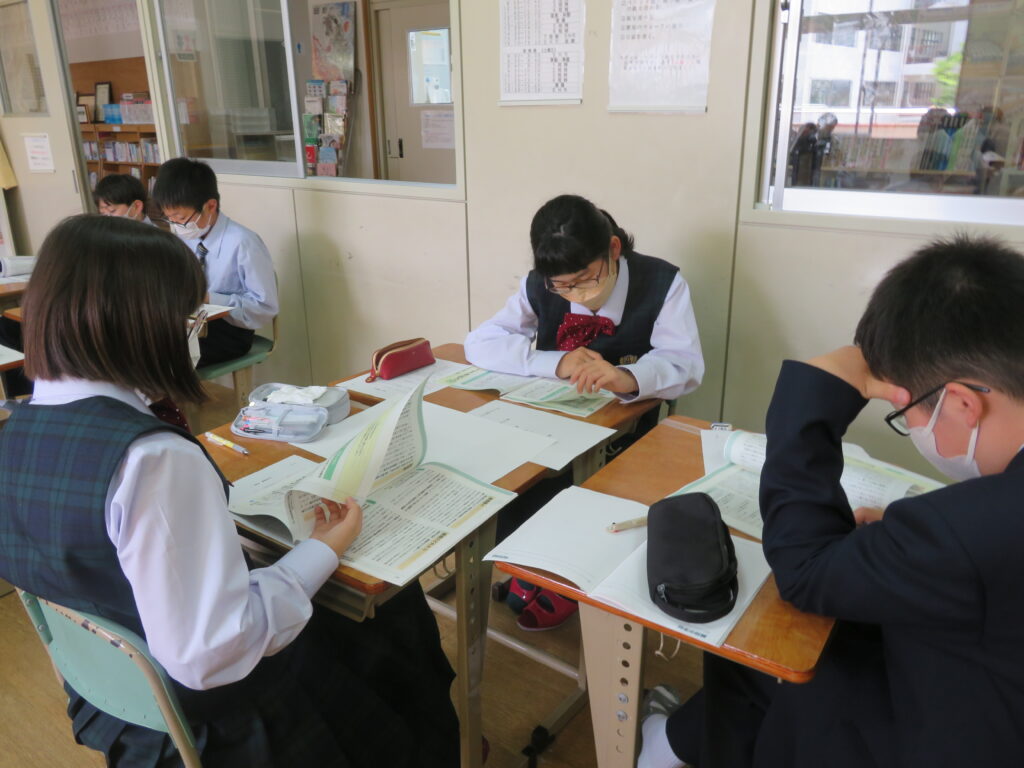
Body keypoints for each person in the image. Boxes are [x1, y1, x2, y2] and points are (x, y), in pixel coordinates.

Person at [0, 214, 459, 767]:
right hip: (225, 722)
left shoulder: (16, 429)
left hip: (113, 702)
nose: (193, 333)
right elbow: (212, 652)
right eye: (188, 317)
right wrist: (323, 548)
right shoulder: (152, 459)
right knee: (391, 611)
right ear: (141, 324)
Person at [641, 234, 1024, 768]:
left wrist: (812, 397)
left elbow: (804, 573)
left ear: (962, 403)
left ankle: (669, 747)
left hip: (955, 727)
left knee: (770, 644)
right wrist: (919, 540)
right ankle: (677, 741)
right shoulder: (974, 525)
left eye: (906, 413)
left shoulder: (968, 532)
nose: (912, 426)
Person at [465, 193, 704, 629]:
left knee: (589, 495)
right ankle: (532, 565)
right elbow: (480, 342)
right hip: (550, 428)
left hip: (626, 435)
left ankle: (568, 576)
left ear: (613, 249)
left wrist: (628, 377)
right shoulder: (541, 285)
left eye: (586, 279)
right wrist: (553, 362)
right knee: (507, 474)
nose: (578, 294)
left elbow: (686, 365)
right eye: (563, 286)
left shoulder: (663, 283)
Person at [152, 157, 279, 367]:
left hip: (230, 332)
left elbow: (265, 308)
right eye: (169, 219)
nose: (176, 226)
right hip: (190, 322)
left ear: (211, 206)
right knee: (137, 341)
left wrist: (209, 298)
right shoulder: (184, 238)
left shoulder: (243, 243)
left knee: (159, 356)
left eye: (181, 219)